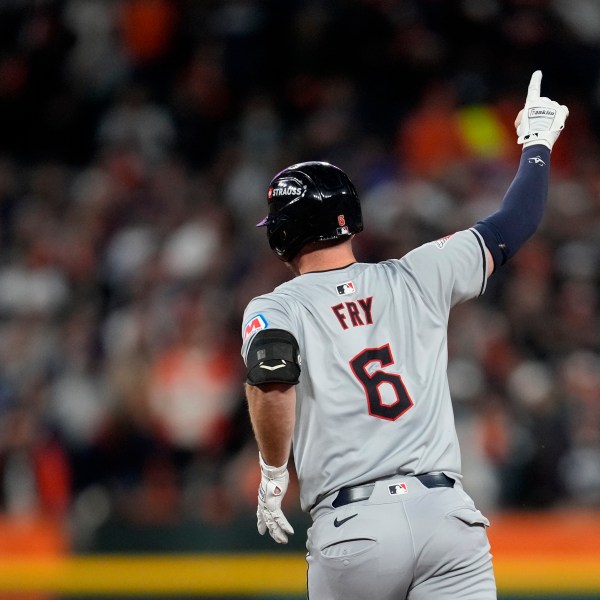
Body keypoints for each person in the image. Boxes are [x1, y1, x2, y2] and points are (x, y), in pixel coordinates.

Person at [240, 71, 568, 599]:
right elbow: (515, 221)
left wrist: (273, 471)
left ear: (282, 232)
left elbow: (272, 374)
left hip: (354, 527)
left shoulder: (278, 306)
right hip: (446, 516)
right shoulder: (417, 273)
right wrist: (537, 144)